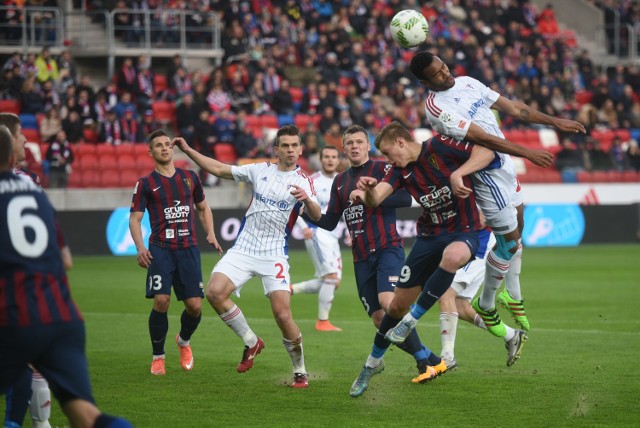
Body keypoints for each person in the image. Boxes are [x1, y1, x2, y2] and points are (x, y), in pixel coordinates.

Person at [408, 51, 586, 338]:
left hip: (504, 165)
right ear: (424, 81)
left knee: (520, 227)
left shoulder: (466, 81)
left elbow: (513, 108)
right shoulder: (435, 106)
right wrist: (527, 152)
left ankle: (511, 295)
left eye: (443, 66)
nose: (445, 73)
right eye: (437, 74)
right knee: (508, 243)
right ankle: (487, 303)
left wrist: (556, 121)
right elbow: (483, 139)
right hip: (485, 171)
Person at [349, 122, 525, 397]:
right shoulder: (399, 171)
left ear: (400, 142)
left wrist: (460, 173)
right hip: (428, 238)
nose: (386, 160)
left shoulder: (439, 146)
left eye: (387, 153)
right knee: (395, 308)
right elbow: (375, 200)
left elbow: (488, 151)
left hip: (463, 231)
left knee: (453, 257)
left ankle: (413, 320)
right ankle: (370, 365)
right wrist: (370, 190)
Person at [0, 124, 132, 428]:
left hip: (13, 318)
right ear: (10, 157)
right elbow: (66, 259)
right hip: (62, 319)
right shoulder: (34, 192)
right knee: (86, 416)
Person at [300, 125, 445, 395]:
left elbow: (405, 197)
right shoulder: (341, 181)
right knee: (380, 319)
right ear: (344, 148)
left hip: (388, 248)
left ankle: (424, 363)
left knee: (389, 304)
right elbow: (330, 222)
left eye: (359, 142)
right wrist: (303, 208)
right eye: (349, 143)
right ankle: (432, 359)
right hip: (361, 257)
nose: (354, 146)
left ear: (368, 146)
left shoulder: (383, 170)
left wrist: (370, 196)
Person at [172, 125, 321, 389]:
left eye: (294, 145)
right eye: (284, 145)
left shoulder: (305, 182)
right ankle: (251, 341)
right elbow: (219, 168)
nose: (289, 150)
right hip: (244, 248)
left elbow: (317, 215)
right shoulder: (259, 169)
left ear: (300, 149)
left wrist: (307, 200)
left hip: (274, 253)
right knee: (215, 292)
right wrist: (187, 150)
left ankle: (300, 370)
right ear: (276, 149)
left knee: (282, 315)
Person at [129, 129, 222, 376]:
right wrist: (140, 247)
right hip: (160, 250)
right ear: (151, 152)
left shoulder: (189, 177)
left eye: (167, 144)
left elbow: (203, 208)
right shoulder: (146, 184)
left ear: (173, 149)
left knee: (194, 306)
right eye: (158, 145)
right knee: (162, 300)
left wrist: (210, 232)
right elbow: (135, 219)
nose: (164, 148)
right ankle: (158, 357)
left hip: (188, 249)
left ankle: (183, 341)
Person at [292, 145, 347, 332]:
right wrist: (304, 227)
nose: (330, 160)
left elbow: (346, 210)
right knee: (330, 278)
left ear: (338, 160)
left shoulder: (341, 181)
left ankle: (290, 289)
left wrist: (351, 232)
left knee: (333, 282)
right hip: (316, 231)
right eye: (327, 157)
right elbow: (296, 205)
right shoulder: (312, 181)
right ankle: (323, 322)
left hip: (332, 234)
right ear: (321, 160)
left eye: (334, 157)